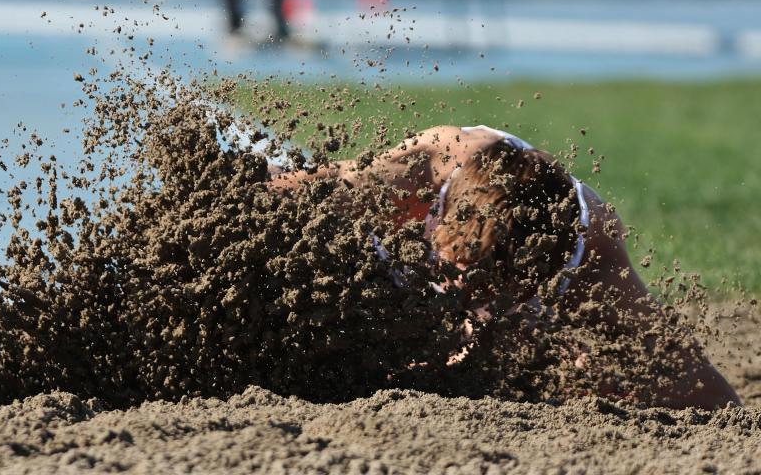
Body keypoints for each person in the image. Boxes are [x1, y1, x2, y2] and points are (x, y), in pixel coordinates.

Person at [268, 124, 741, 409]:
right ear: (442, 220)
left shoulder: (594, 256)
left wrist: (605, 381)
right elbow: (291, 193)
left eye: (491, 286)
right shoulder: (428, 165)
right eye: (461, 270)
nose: (466, 293)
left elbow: (708, 394)